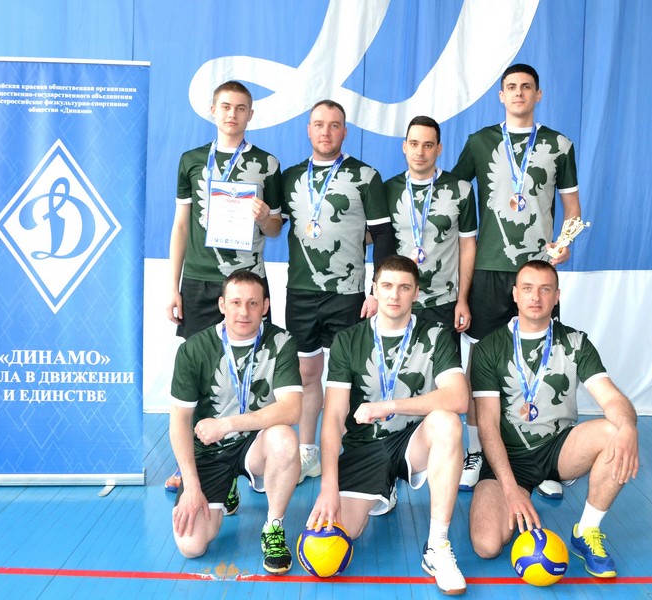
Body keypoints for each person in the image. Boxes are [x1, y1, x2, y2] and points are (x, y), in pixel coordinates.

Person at [451, 64, 582, 498]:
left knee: (542, 358)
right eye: (511, 87)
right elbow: (452, 197)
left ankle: (546, 456)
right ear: (501, 96)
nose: (519, 93)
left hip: (538, 272)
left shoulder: (559, 144)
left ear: (538, 95)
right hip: (488, 270)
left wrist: (564, 244)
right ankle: (476, 452)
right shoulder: (480, 142)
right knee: (481, 363)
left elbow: (573, 210)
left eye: (527, 87)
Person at [307, 255, 470, 595]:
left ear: (416, 292)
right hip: (365, 448)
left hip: (413, 442)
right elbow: (333, 417)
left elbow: (458, 398)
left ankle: (437, 546)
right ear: (374, 289)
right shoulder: (348, 340)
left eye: (404, 287)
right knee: (333, 540)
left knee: (447, 422)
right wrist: (328, 486)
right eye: (387, 286)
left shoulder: (436, 335)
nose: (395, 295)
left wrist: (389, 406)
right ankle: (384, 488)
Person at [469, 260, 639, 578]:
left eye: (545, 289)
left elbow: (612, 398)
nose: (536, 297)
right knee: (487, 545)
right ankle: (519, 493)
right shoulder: (489, 348)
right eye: (528, 289)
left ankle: (586, 531)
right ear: (515, 294)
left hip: (559, 449)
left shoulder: (575, 342)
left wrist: (628, 426)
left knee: (614, 430)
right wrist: (510, 489)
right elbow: (488, 427)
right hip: (509, 457)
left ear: (557, 296)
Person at [165, 80, 284, 495]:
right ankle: (193, 461)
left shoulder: (267, 163)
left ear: (251, 114)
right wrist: (173, 286)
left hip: (248, 280)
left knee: (250, 369)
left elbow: (275, 228)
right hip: (199, 281)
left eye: (240, 108)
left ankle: (241, 458)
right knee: (198, 372)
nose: (232, 114)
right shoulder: (192, 160)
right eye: (226, 107)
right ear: (212, 111)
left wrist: (265, 216)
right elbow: (181, 226)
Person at [281, 99, 396, 483]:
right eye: (319, 124)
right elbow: (272, 226)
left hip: (347, 293)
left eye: (334, 125)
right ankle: (308, 452)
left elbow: (382, 235)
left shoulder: (365, 176)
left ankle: (355, 456)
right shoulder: (290, 177)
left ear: (345, 131)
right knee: (306, 373)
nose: (326, 131)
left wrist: (376, 289)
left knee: (350, 377)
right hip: (300, 292)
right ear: (308, 130)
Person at [169, 270, 303, 574]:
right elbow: (179, 422)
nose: (244, 312)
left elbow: (292, 409)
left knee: (285, 438)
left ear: (265, 306)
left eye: (253, 303)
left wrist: (227, 424)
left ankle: (273, 526)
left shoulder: (281, 341)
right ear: (222, 305)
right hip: (210, 452)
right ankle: (226, 486)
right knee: (191, 545)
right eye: (236, 302)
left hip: (255, 443)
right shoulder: (193, 349)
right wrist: (191, 486)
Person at [384, 115, 477, 347]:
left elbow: (467, 246)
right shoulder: (388, 189)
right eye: (414, 144)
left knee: (446, 368)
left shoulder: (461, 189)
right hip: (398, 300)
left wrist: (462, 300)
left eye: (428, 145)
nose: (420, 152)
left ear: (439, 149)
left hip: (444, 302)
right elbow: (375, 238)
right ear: (404, 147)